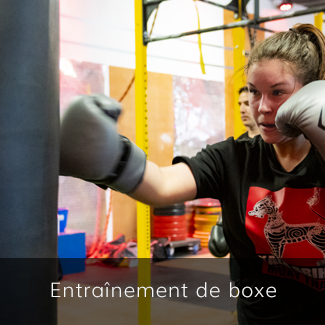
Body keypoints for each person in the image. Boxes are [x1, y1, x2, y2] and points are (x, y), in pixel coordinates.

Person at [60, 23, 325, 324]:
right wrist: (109, 159)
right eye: (253, 92)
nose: (261, 107)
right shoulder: (234, 157)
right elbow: (160, 184)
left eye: (278, 92)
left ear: (311, 93)